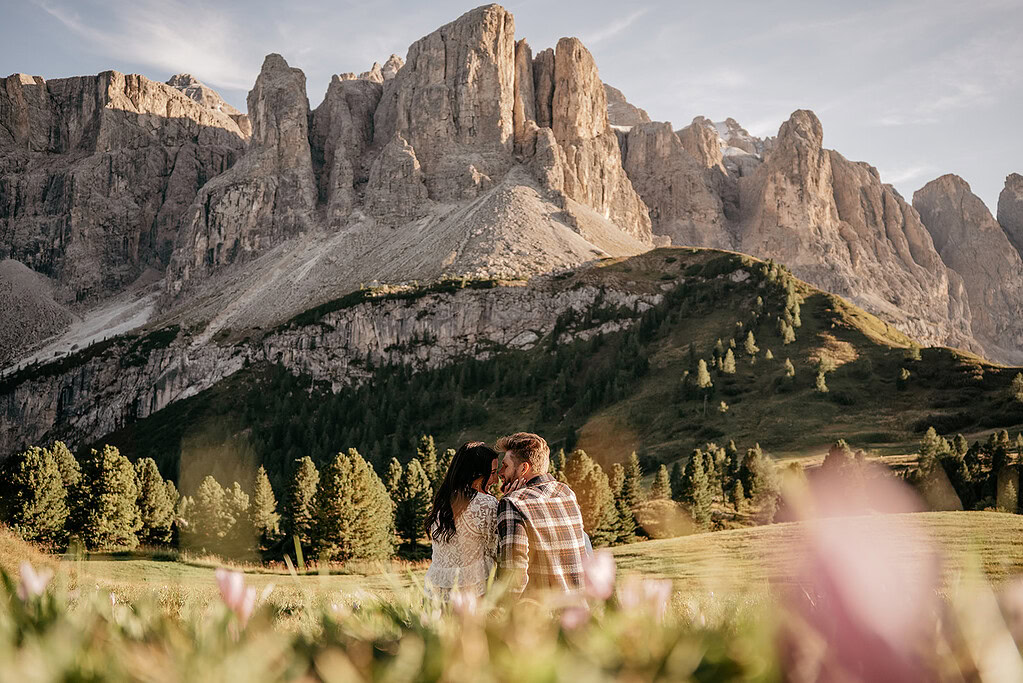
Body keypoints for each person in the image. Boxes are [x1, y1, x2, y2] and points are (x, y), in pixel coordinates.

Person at [495, 432, 589, 596]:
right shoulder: (566, 493)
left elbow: (514, 574)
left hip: (542, 615)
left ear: (524, 468)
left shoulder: (513, 503)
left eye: (505, 466)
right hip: (578, 608)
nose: (500, 472)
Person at [423, 441, 501, 599]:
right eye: (492, 473)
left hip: (435, 591)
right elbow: (498, 550)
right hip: (472, 592)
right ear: (475, 474)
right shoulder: (485, 504)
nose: (496, 479)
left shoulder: (443, 501)